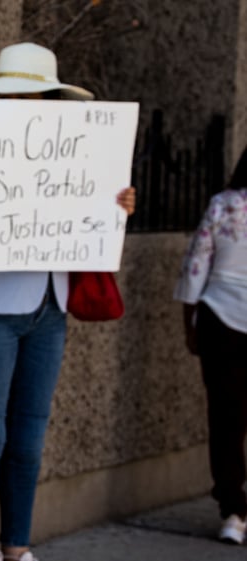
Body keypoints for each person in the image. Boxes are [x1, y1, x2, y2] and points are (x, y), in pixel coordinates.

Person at [0, 42, 136, 561]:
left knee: (28, 437)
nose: (25, 101)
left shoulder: (79, 152)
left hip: (50, 310)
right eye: (14, 93)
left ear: (48, 96)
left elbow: (83, 227)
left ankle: (17, 546)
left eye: (34, 93)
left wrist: (116, 211)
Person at [174, 146, 247, 546]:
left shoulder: (223, 204)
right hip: (222, 320)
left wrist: (190, 324)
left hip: (220, 320)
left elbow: (196, 265)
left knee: (226, 421)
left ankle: (233, 512)